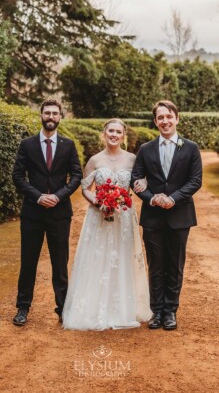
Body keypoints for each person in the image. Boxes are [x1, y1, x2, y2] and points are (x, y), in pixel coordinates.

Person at [62, 119, 151, 330]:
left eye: (118, 132)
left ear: (123, 135)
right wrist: (98, 202)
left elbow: (142, 180)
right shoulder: (94, 160)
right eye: (110, 130)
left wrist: (144, 183)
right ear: (104, 133)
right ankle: (94, 308)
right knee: (98, 257)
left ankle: (123, 309)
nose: (114, 134)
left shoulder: (132, 159)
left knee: (122, 257)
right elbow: (85, 187)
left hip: (124, 218)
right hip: (98, 217)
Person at [131, 100, 202, 331]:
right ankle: (157, 311)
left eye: (169, 117)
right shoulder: (145, 149)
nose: (165, 121)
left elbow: (195, 181)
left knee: (175, 265)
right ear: (155, 122)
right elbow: (136, 179)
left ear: (177, 119)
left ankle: (171, 311)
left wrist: (173, 198)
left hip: (180, 215)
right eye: (160, 118)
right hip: (152, 216)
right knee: (156, 265)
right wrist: (152, 198)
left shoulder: (190, 148)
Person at [12, 98, 82, 326]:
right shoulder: (27, 144)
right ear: (41, 115)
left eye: (55, 113)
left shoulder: (68, 145)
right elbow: (18, 176)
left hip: (59, 214)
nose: (51, 117)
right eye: (47, 113)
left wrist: (59, 196)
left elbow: (76, 176)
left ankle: (63, 309)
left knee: (60, 264)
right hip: (33, 213)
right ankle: (23, 307)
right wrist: (38, 196)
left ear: (60, 117)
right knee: (28, 262)